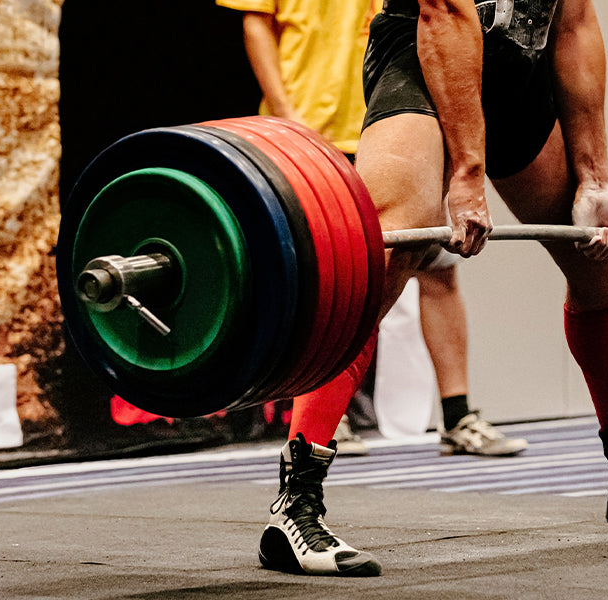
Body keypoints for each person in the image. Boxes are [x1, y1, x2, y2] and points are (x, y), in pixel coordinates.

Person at [256, 0, 608, 577]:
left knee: (603, 260)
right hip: (426, 55)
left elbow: (573, 24)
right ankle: (293, 507)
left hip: (519, 61)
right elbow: (444, 12)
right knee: (389, 251)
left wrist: (596, 176)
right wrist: (466, 173)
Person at [217, 0, 524, 458]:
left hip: (392, 126)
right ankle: (324, 420)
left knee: (436, 267)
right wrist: (287, 114)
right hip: (311, 139)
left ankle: (458, 416)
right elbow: (256, 26)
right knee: (339, 282)